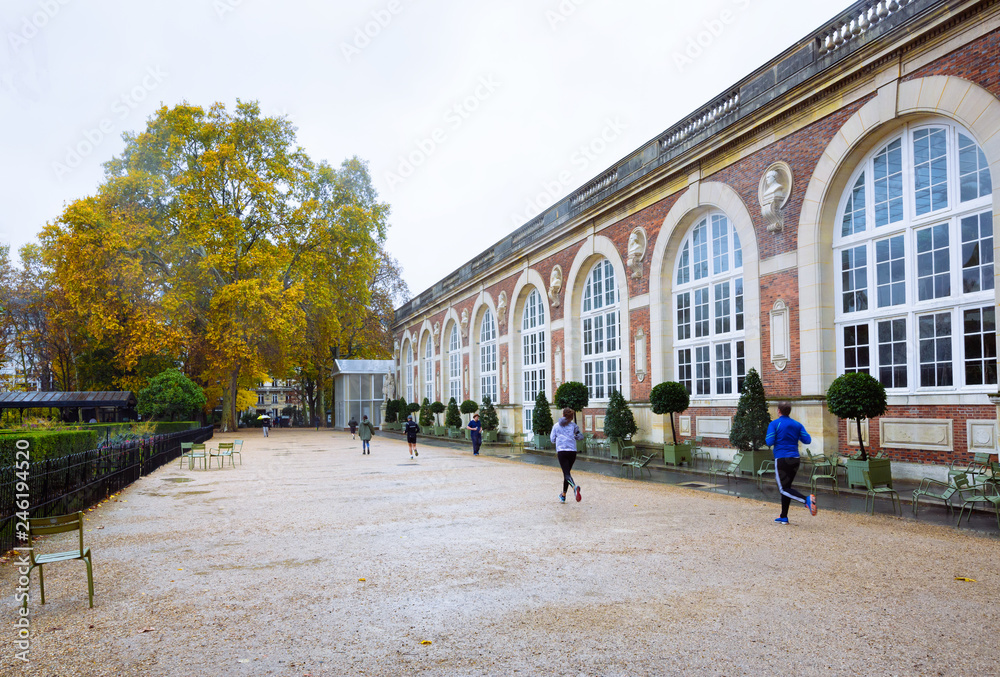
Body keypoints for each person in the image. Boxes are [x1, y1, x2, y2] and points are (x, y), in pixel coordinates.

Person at [765, 401, 816, 524]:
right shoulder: (797, 424)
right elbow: (807, 440)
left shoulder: (774, 424)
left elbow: (769, 442)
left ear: (778, 411)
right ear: (789, 411)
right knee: (787, 487)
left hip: (782, 459)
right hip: (795, 459)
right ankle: (783, 516)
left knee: (782, 489)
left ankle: (807, 500)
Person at [550, 407, 584, 503]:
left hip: (562, 451)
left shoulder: (556, 426)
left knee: (566, 474)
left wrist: (559, 440)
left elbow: (552, 439)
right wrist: (574, 437)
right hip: (572, 451)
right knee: (567, 473)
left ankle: (574, 487)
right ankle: (563, 495)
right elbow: (580, 436)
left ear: (563, 415)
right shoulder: (573, 425)